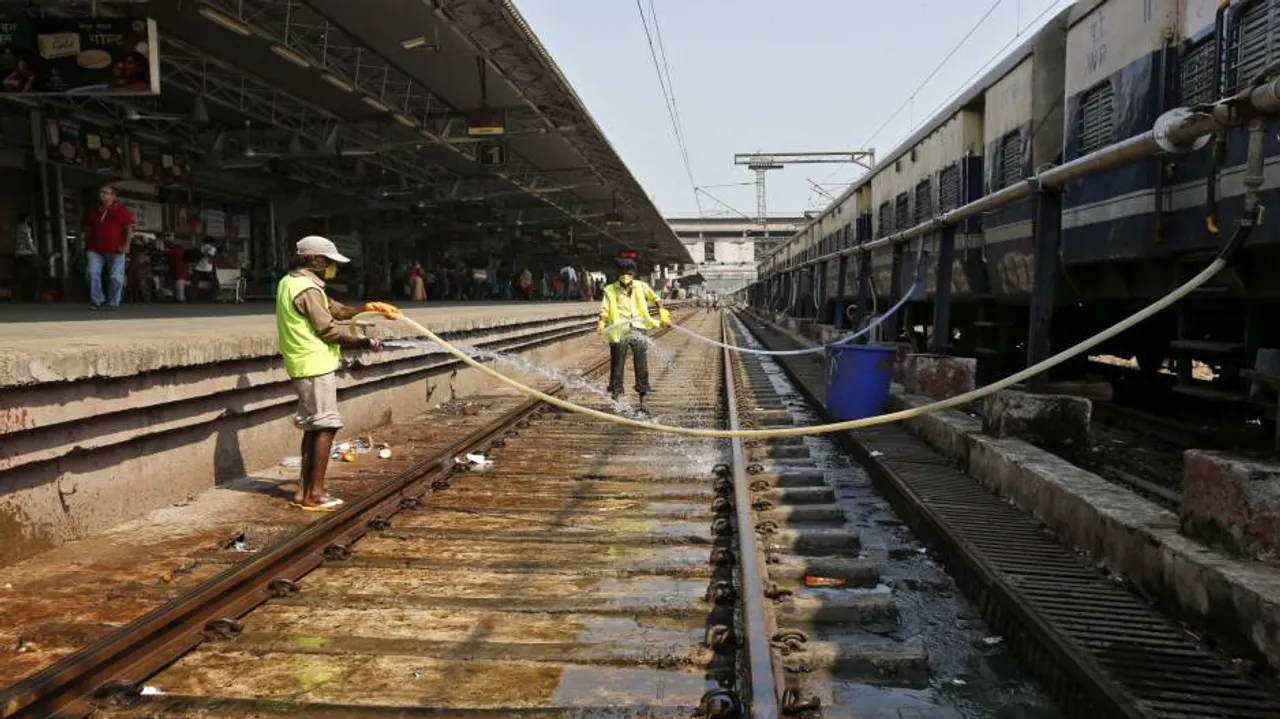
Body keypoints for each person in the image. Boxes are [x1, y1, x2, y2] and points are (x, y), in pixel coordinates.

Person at [276, 235, 401, 511]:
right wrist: (364, 342)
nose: (333, 267)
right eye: (330, 262)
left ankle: (302, 492)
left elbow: (338, 311)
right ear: (316, 259)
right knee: (327, 425)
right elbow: (328, 330)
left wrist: (368, 308)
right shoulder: (306, 289)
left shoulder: (295, 283)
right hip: (313, 363)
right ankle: (316, 495)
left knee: (313, 426)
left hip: (303, 363)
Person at [597, 259, 671, 413]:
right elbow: (604, 308)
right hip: (619, 331)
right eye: (623, 273)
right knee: (617, 364)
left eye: (629, 273)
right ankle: (616, 397)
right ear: (618, 274)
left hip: (638, 328)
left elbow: (655, 299)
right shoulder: (610, 289)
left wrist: (663, 311)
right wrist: (602, 322)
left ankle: (643, 399)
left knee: (641, 364)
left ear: (634, 274)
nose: (626, 276)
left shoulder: (641, 286)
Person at [84, 184, 133, 311]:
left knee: (116, 277)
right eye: (101, 192)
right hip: (95, 249)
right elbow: (89, 229)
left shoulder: (121, 210)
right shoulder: (95, 211)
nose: (102, 195)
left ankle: (114, 301)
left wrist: (127, 244)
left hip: (116, 249)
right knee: (92, 272)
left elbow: (128, 228)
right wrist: (88, 243)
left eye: (106, 192)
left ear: (113, 196)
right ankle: (97, 300)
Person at [12, 212, 38, 302]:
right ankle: (31, 297)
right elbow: (28, 241)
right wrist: (34, 251)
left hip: (17, 254)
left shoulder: (17, 228)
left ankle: (17, 297)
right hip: (25, 254)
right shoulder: (25, 228)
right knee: (33, 275)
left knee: (18, 276)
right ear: (26, 219)